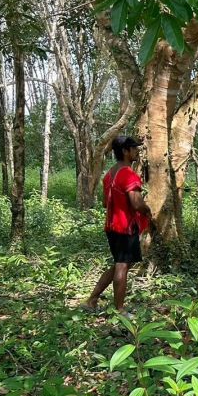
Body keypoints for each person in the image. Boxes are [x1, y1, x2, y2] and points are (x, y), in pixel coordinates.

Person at [84, 135, 152, 314]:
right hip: (125, 227)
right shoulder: (129, 174)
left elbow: (105, 203)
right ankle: (120, 310)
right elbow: (137, 203)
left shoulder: (109, 174)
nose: (137, 151)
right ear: (125, 151)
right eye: (134, 148)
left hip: (111, 227)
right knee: (122, 266)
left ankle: (92, 299)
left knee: (119, 264)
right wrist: (147, 210)